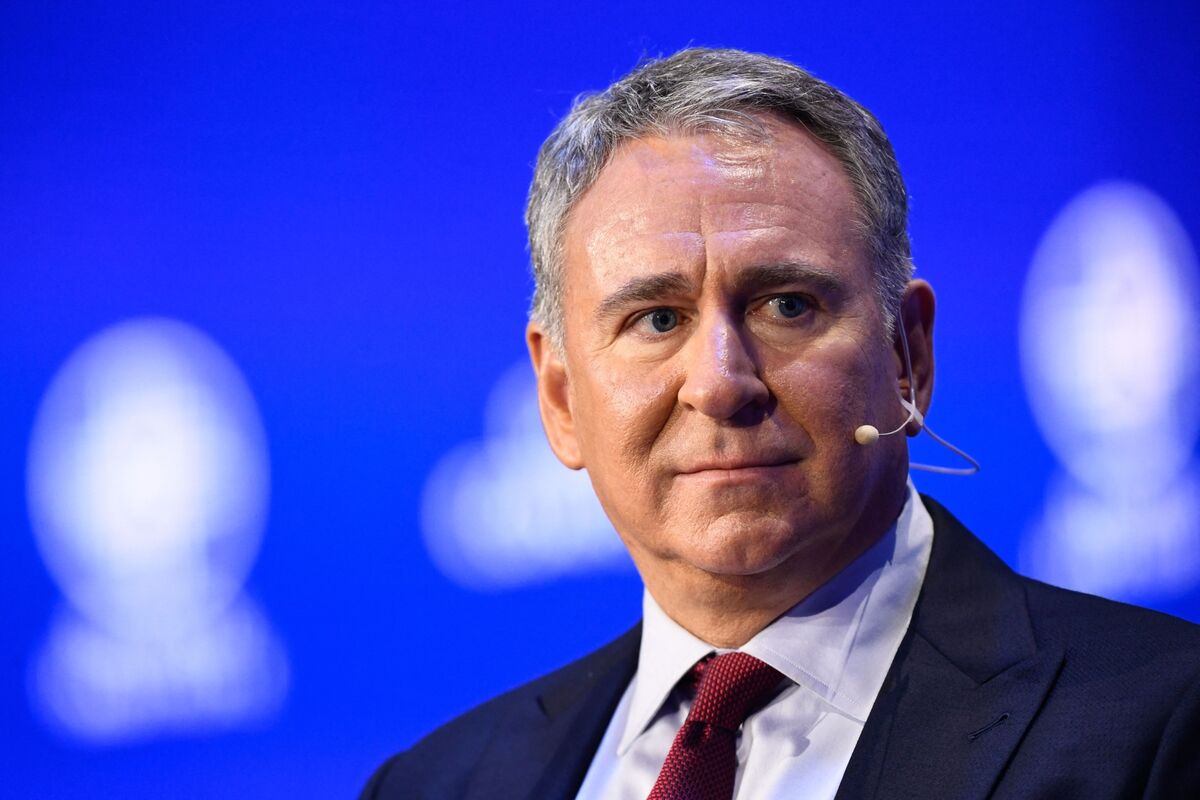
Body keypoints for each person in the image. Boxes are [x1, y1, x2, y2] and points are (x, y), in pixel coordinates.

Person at [361, 48, 1200, 799]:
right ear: (559, 397)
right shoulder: (436, 785)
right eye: (657, 319)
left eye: (786, 305)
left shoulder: (1161, 727)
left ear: (907, 356)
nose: (720, 384)